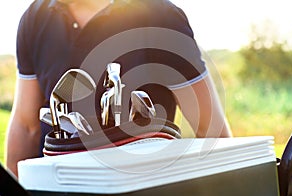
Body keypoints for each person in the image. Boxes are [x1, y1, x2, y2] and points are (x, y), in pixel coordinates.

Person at [6, 0, 232, 177]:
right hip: (56, 188)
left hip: (141, 190)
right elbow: (26, 126)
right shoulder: (34, 18)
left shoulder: (160, 17)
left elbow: (211, 130)